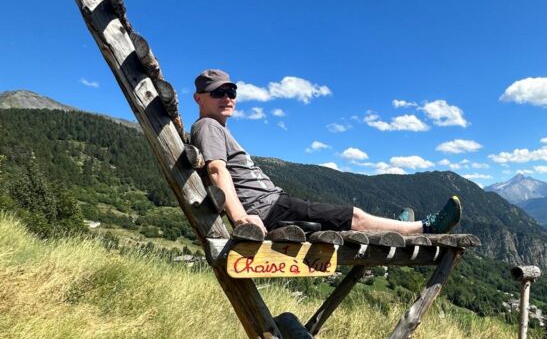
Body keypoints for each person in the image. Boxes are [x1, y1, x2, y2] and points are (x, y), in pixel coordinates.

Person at [190, 69, 462, 236]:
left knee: (347, 214)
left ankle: (397, 227)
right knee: (354, 216)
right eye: (218, 93)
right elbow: (216, 170)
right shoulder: (208, 126)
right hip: (269, 209)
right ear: (199, 98)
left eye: (231, 91)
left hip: (275, 204)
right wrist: (240, 218)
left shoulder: (216, 128)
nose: (227, 98)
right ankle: (425, 228)